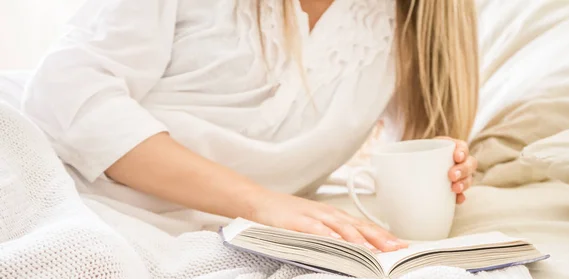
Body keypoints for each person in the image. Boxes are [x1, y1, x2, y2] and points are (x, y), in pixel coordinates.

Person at [22, 0, 479, 252]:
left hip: (214, 239)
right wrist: (258, 202)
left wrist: (441, 161)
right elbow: (62, 91)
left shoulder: (410, 21)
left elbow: (409, 146)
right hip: (44, 182)